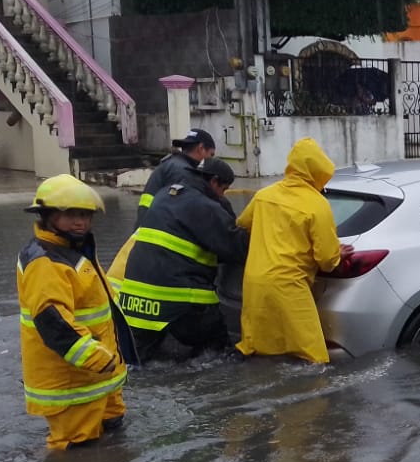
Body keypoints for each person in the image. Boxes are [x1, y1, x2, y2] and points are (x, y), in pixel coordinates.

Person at [17, 174, 131, 451]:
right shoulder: (46, 262)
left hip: (99, 377)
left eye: (85, 215)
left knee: (114, 443)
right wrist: (95, 357)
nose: (80, 222)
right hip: (73, 385)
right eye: (70, 215)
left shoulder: (73, 252)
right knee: (76, 455)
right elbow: (53, 321)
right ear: (46, 216)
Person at [116, 157, 248, 362]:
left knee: (137, 362)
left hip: (136, 302)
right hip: (179, 303)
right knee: (219, 351)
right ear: (214, 182)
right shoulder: (204, 206)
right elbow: (236, 246)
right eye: (224, 189)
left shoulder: (163, 195)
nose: (223, 195)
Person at [236, 138, 345, 363]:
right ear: (319, 171)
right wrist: (338, 253)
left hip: (254, 284)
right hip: (289, 286)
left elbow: (243, 224)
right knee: (314, 358)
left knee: (258, 350)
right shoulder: (317, 204)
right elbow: (327, 260)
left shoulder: (264, 195)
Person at [137, 128, 217, 225]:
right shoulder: (184, 173)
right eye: (211, 155)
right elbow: (189, 210)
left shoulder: (171, 164)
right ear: (200, 149)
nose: (212, 160)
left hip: (147, 225)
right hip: (157, 229)